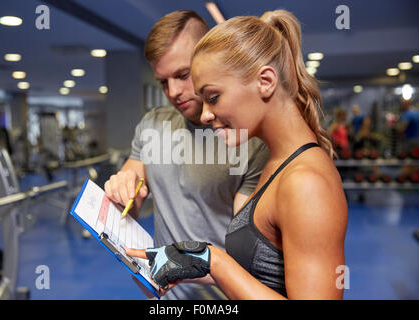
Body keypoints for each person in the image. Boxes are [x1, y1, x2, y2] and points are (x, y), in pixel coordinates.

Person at [127, 10, 348, 300]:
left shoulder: (306, 183)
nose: (205, 115)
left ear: (265, 82)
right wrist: (194, 264)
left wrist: (214, 260)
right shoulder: (278, 164)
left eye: (213, 97)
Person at [104, 10, 269, 300]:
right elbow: (133, 177)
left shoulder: (247, 141)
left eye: (182, 75)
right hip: (163, 296)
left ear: (207, 56)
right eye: (163, 82)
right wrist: (123, 186)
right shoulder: (153, 124)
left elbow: (252, 252)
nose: (174, 92)